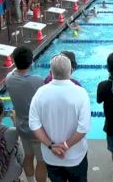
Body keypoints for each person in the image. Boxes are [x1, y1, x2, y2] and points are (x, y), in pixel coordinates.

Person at [29, 54, 91, 182]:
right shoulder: (81, 93)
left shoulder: (40, 93)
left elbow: (34, 125)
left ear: (50, 72)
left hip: (51, 157)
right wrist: (66, 145)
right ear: (71, 71)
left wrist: (52, 146)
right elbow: (84, 127)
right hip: (76, 156)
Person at [6, 46, 47, 182]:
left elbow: (13, 72)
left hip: (21, 126)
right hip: (37, 129)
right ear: (31, 61)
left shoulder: (9, 79)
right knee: (41, 162)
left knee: (28, 156)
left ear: (14, 61)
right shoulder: (37, 80)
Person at [0, 98, 24, 182]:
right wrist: (15, 121)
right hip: (12, 173)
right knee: (18, 144)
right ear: (3, 112)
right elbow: (20, 133)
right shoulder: (11, 131)